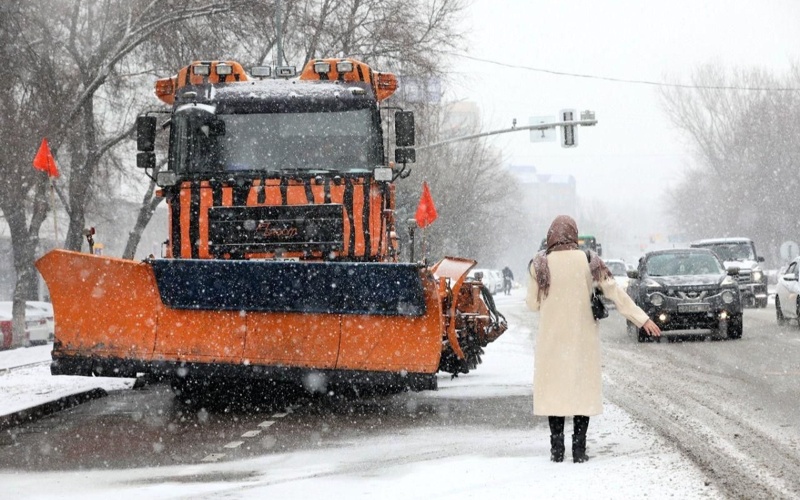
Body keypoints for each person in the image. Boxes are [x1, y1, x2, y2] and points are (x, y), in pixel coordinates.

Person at [526, 215, 661, 463]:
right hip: (582, 340)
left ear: (551, 235)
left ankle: (557, 450)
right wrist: (642, 319)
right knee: (581, 392)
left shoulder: (539, 264)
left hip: (551, 341)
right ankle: (579, 450)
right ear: (574, 234)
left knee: (554, 393)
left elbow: (533, 305)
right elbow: (616, 293)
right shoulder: (589, 260)